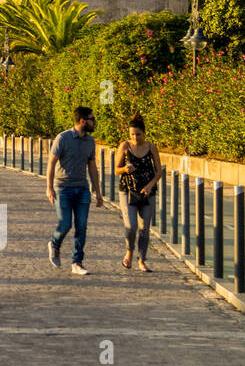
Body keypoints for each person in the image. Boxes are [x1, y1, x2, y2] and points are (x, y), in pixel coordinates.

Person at [46, 106, 103, 275]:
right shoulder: (62, 138)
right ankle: (54, 244)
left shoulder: (90, 141)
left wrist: (98, 192)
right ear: (82, 121)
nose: (94, 122)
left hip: (82, 188)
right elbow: (51, 163)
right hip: (62, 187)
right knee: (65, 224)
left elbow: (92, 167)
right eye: (92, 119)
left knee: (82, 225)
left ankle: (77, 262)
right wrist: (49, 188)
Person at [115, 113, 162, 272]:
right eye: (132, 134)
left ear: (144, 133)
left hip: (147, 191)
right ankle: (129, 252)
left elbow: (158, 172)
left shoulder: (151, 147)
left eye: (138, 134)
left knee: (145, 228)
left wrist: (150, 186)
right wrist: (124, 169)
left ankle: (142, 260)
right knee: (131, 226)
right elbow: (116, 169)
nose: (135, 137)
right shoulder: (124, 146)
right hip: (128, 191)